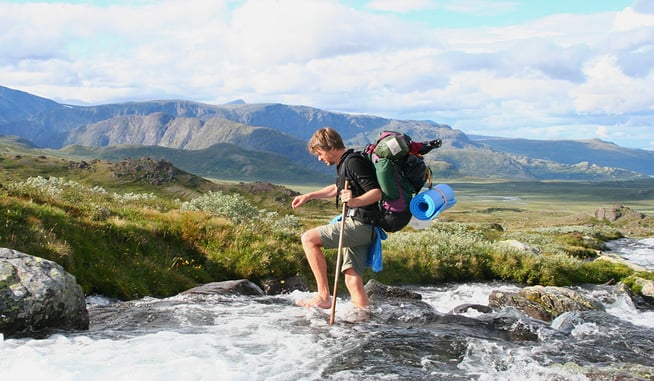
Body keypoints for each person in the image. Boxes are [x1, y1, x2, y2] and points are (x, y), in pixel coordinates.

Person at [291, 127, 382, 310]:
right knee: (352, 277)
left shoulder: (353, 162)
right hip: (364, 225)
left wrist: (355, 200)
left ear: (331, 147)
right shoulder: (345, 163)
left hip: (360, 224)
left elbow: (376, 193)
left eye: (320, 153)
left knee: (308, 239)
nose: (319, 158)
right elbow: (336, 189)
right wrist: (309, 196)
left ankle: (323, 296)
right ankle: (362, 319)